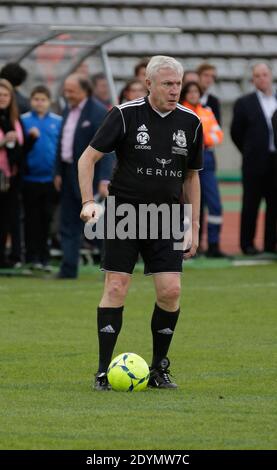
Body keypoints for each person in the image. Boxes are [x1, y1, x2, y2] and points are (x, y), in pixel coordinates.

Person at [78, 55, 203, 390]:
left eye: (177, 83)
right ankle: (104, 371)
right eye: (167, 84)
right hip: (124, 212)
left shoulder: (191, 122)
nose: (175, 90)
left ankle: (159, 369)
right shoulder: (124, 115)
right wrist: (89, 201)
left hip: (168, 216)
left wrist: (193, 224)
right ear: (149, 84)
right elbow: (87, 158)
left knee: (171, 291)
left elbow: (191, 177)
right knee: (116, 287)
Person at [54, 74, 114, 279]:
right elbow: (62, 143)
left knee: (97, 227)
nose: (67, 94)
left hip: (90, 176)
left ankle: (112, 269)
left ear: (84, 91)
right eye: (66, 90)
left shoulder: (98, 112)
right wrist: (58, 172)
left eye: (71, 90)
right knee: (68, 223)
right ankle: (68, 269)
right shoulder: (67, 110)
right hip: (68, 173)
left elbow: (107, 148)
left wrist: (104, 179)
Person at [231, 63, 277, 255]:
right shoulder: (244, 102)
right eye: (257, 75)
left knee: (274, 204)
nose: (261, 78)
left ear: (271, 76)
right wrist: (250, 150)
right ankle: (247, 244)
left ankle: (271, 244)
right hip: (254, 162)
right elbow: (236, 133)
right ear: (253, 79)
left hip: (276, 162)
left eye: (264, 74)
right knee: (251, 204)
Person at [181, 81, 227, 257]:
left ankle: (214, 245)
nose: (193, 94)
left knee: (214, 204)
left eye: (196, 91)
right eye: (190, 91)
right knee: (186, 204)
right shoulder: (180, 112)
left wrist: (202, 139)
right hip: (184, 159)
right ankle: (187, 245)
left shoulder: (207, 112)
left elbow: (218, 135)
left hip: (206, 158)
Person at [21, 85, 62, 270]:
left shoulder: (57, 121)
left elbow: (60, 148)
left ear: (49, 102)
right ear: (31, 101)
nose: (39, 103)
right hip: (29, 179)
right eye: (36, 99)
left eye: (43, 99)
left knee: (47, 219)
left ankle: (44, 257)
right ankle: (32, 256)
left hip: (49, 179)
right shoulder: (23, 121)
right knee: (31, 219)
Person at [0, 79, 24, 268]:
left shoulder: (15, 120)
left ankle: (7, 257)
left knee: (8, 218)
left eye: (6, 95)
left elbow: (20, 149)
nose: (2, 98)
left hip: (11, 176)